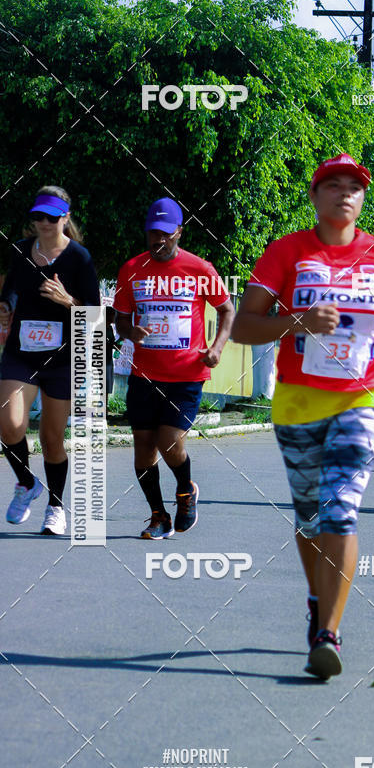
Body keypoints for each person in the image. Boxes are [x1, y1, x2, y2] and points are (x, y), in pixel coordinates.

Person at [232, 153, 374, 679]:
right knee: (310, 517)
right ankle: (319, 600)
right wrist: (296, 321)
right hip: (297, 401)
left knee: (340, 510)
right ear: (314, 196)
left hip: (364, 399)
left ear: (363, 199)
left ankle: (327, 633)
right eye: (332, 184)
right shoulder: (286, 252)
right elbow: (244, 326)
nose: (345, 192)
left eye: (354, 186)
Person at [114, 198, 234, 539]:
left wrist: (217, 347)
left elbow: (226, 310)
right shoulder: (131, 269)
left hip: (186, 375)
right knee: (143, 448)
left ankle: (185, 490)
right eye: (153, 233)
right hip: (144, 375)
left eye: (166, 234)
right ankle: (158, 515)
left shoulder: (200, 269)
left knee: (169, 442)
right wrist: (130, 331)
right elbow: (121, 319)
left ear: (179, 232)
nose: (158, 240)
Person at [0, 186, 100, 534]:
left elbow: (95, 316)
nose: (43, 222)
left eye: (51, 217)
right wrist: (5, 307)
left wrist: (67, 300)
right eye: (38, 216)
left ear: (65, 218)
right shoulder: (21, 252)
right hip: (21, 354)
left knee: (52, 439)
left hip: (61, 359)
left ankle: (56, 506)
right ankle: (27, 484)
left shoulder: (79, 259)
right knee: (9, 423)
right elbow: (9, 290)